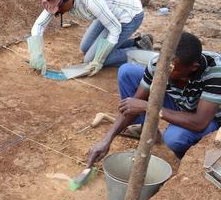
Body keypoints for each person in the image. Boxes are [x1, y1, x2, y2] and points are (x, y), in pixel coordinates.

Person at [87, 32, 221, 165]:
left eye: (174, 70)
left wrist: (149, 107)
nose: (164, 72)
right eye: (164, 64)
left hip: (209, 117)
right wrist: (107, 139)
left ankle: (187, 160)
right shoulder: (159, 64)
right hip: (180, 103)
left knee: (174, 138)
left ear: (193, 67)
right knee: (127, 72)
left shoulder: (215, 72)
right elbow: (134, 104)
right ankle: (144, 129)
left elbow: (199, 123)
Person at [28, 0, 151, 76]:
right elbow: (38, 26)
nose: (56, 10)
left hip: (129, 16)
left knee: (91, 59)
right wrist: (36, 55)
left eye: (58, 6)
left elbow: (115, 29)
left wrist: (99, 60)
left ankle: (139, 52)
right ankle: (138, 42)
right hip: (109, 14)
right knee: (85, 47)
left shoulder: (92, 1)